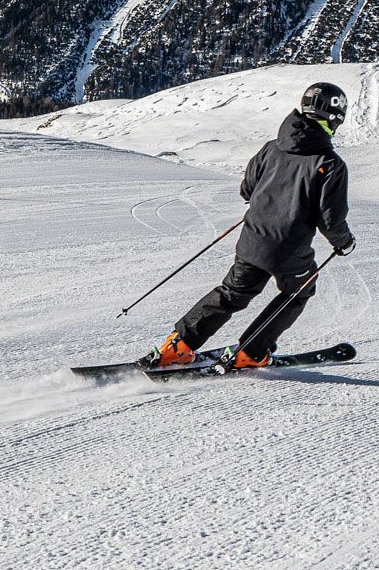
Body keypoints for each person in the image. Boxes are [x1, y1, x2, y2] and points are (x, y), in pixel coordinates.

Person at [148, 82, 357, 369]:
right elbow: (331, 218)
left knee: (232, 293)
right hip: (289, 249)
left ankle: (177, 346)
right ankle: (250, 352)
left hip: (252, 240)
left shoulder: (272, 148)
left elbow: (247, 189)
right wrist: (343, 242)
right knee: (298, 292)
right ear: (334, 117)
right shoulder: (329, 164)